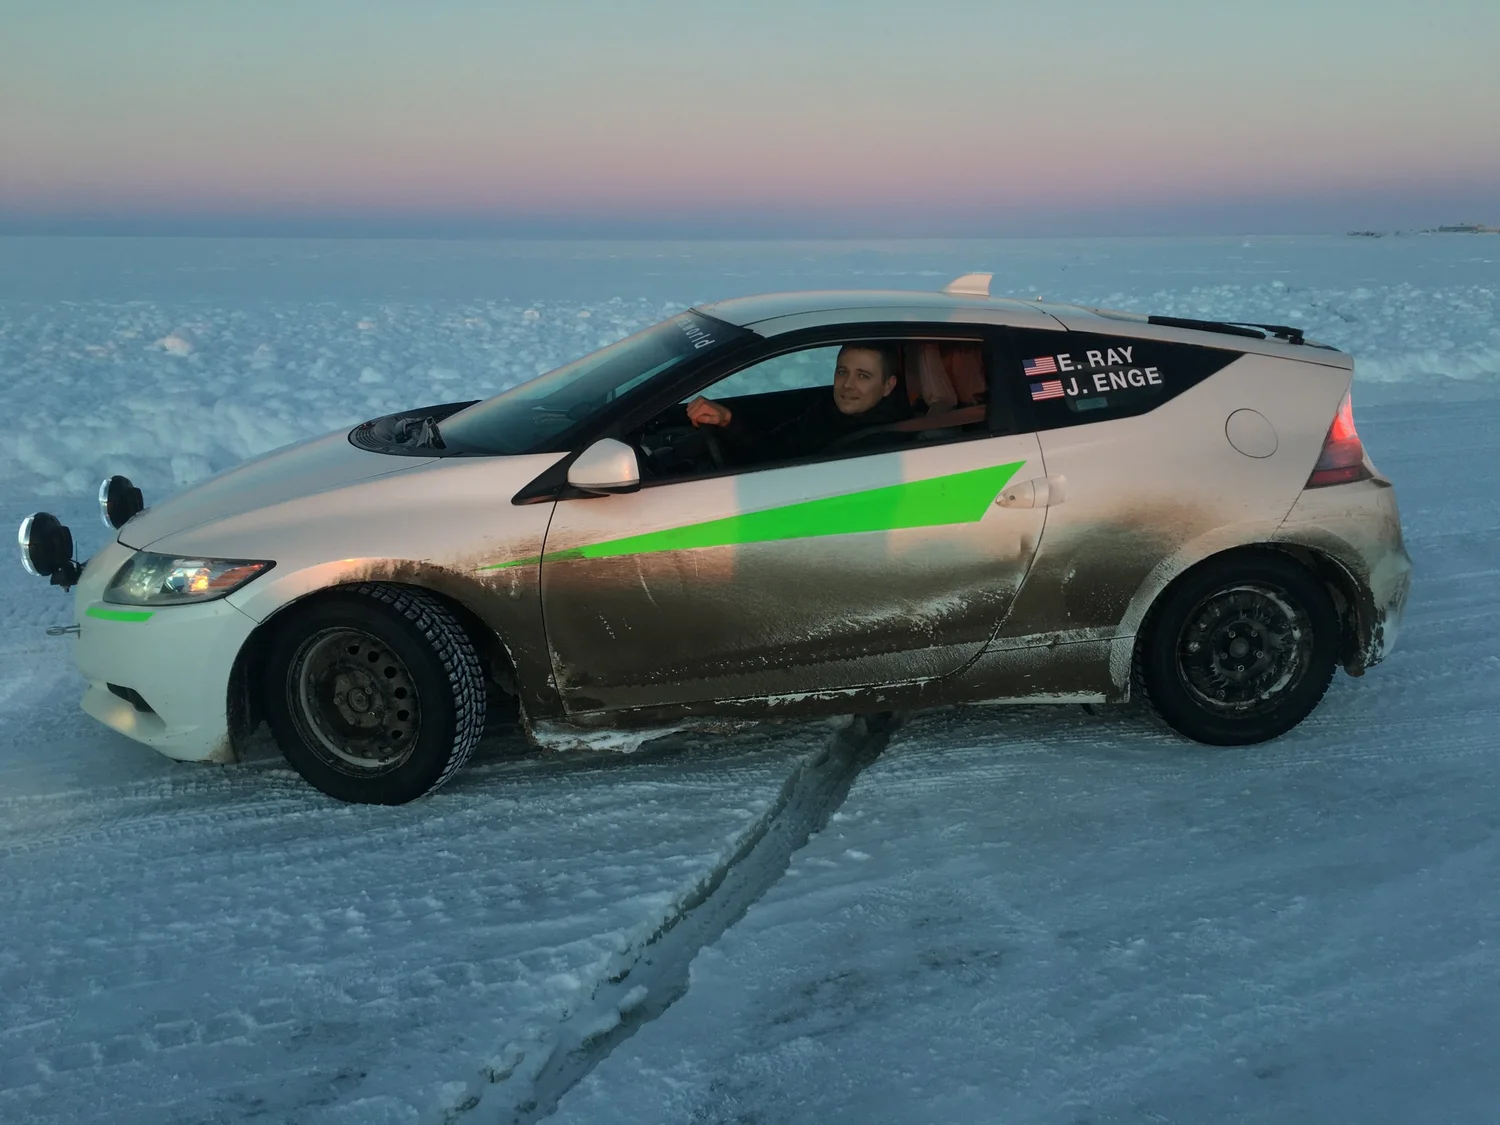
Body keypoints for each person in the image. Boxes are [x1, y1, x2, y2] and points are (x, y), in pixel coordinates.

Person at [684, 343, 908, 464]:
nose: (847, 385)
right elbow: (776, 449)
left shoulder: (881, 447)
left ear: (888, 386)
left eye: (863, 376)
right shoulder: (827, 413)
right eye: (842, 372)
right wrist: (727, 421)